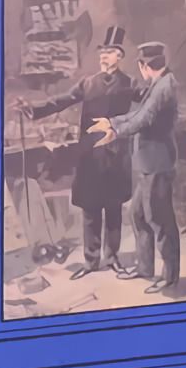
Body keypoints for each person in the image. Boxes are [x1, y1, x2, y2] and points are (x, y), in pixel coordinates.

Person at [15, 27, 135, 279]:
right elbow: (61, 100)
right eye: (102, 52)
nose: (103, 56)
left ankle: (112, 258)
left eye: (109, 52)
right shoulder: (88, 83)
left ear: (120, 56)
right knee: (90, 210)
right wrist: (32, 109)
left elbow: (144, 111)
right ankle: (91, 261)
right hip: (90, 156)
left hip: (115, 156)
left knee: (113, 209)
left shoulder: (129, 84)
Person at [87, 41, 180, 294]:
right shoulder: (160, 83)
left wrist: (115, 131)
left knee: (159, 220)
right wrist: (111, 121)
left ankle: (170, 276)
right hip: (150, 162)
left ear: (143, 65)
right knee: (138, 215)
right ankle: (145, 267)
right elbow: (138, 114)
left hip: (158, 162)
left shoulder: (164, 86)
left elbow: (144, 118)